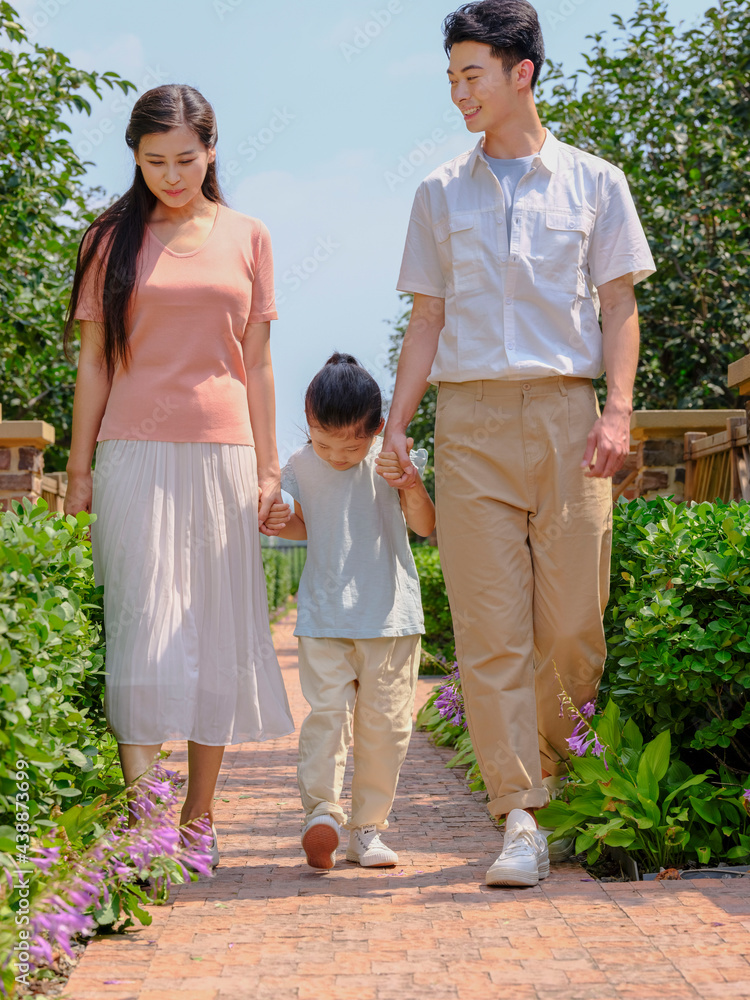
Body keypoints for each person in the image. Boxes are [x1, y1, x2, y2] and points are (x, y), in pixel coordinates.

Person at [383, 0, 655, 888]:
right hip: (468, 424)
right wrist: (398, 422)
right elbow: (425, 320)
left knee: (573, 626)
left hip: (570, 419)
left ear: (521, 74)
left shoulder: (595, 182)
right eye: (452, 76)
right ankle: (522, 814)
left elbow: (619, 305)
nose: (459, 91)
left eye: (472, 74)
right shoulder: (437, 193)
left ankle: (558, 778)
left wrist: (616, 412)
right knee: (490, 632)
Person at [63, 84, 294, 867]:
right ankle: (144, 823)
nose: (170, 174)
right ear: (134, 155)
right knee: (143, 629)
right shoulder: (109, 239)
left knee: (214, 634)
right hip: (132, 453)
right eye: (154, 160)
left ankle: (199, 818)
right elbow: (94, 364)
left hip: (225, 457)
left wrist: (269, 471)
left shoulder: (249, 235)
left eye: (185, 160)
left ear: (213, 150)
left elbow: (257, 364)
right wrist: (79, 468)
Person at [265, 353, 435, 869]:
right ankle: (322, 814)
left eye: (352, 445)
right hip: (324, 616)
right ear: (309, 423)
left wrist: (407, 481)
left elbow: (425, 526)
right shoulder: (298, 464)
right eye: (324, 442)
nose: (337, 456)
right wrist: (277, 518)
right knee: (327, 718)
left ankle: (369, 829)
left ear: (378, 429)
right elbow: (304, 527)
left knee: (386, 728)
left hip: (391, 617)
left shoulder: (393, 457)